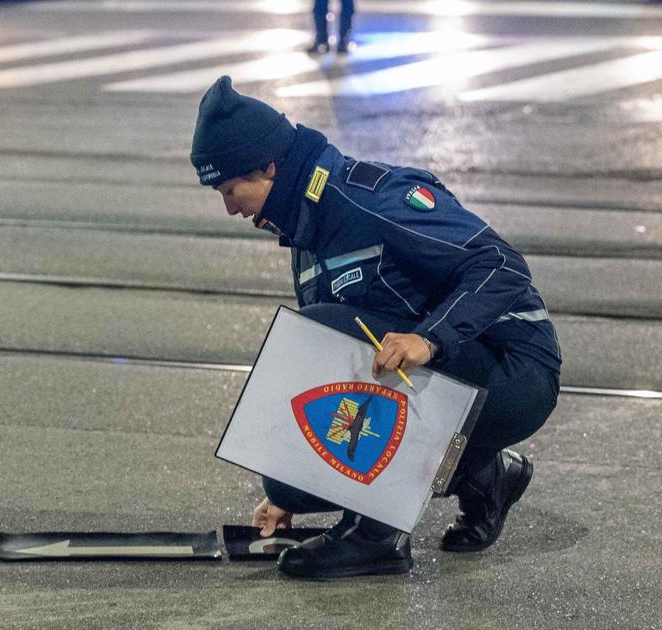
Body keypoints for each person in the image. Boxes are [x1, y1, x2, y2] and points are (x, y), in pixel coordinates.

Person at [189, 76, 561, 579]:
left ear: (270, 168)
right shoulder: (306, 228)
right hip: (456, 374)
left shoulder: (368, 197)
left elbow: (501, 266)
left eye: (232, 190)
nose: (231, 208)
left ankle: (376, 533)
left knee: (323, 331)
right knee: (289, 477)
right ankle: (485, 476)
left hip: (513, 367)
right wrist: (285, 495)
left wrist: (429, 338)